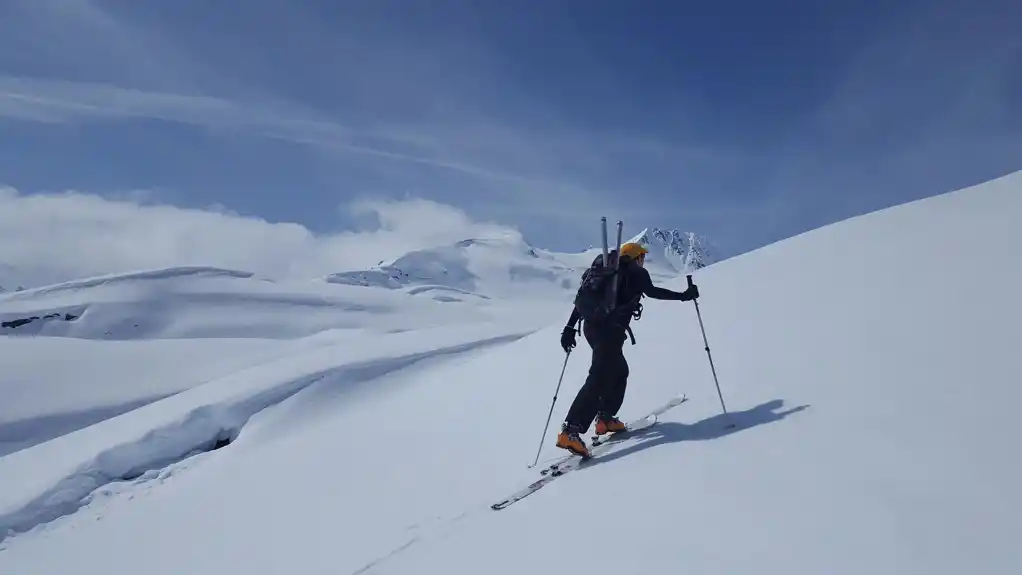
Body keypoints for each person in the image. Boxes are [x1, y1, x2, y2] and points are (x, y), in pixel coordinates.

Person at [556, 242, 698, 457]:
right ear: (636, 257)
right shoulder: (636, 272)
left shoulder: (602, 273)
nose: (643, 260)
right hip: (610, 331)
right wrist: (683, 295)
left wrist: (569, 327)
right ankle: (571, 430)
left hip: (591, 328)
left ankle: (605, 418)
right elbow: (653, 292)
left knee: (618, 371)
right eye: (642, 256)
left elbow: (581, 301)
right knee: (600, 376)